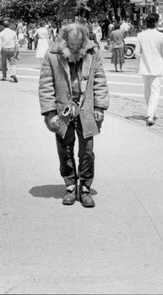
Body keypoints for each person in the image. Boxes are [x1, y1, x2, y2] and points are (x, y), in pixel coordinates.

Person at [39, 23, 109, 208]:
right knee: (65, 149)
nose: (76, 49)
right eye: (72, 45)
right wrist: (50, 113)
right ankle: (70, 186)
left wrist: (100, 107)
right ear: (64, 40)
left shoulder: (92, 53)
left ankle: (85, 187)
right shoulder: (52, 55)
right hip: (63, 110)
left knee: (87, 151)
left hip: (87, 109)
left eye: (79, 45)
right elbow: (46, 85)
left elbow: (100, 80)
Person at [134, 13, 163, 126]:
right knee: (155, 91)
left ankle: (149, 111)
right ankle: (150, 114)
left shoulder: (140, 35)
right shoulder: (161, 36)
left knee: (147, 90)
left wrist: (140, 62)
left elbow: (137, 52)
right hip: (157, 66)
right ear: (156, 22)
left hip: (144, 66)